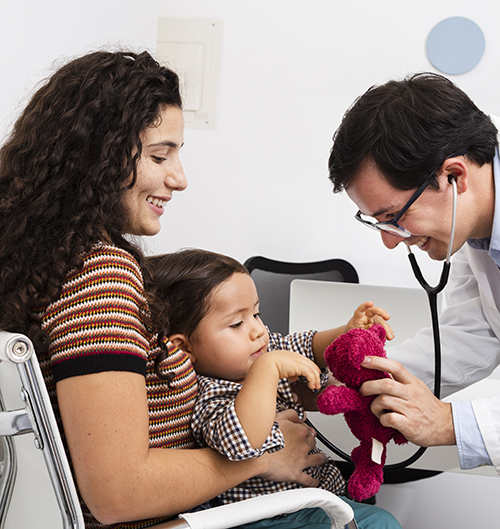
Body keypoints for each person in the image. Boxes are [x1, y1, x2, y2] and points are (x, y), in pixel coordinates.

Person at [0, 50, 338, 529]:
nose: (179, 178)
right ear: (98, 156)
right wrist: (263, 458)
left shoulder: (37, 257)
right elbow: (120, 493)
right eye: (161, 156)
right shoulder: (99, 273)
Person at [146, 248, 403, 529]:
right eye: (236, 323)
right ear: (185, 347)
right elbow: (241, 441)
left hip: (309, 502)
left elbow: (309, 345)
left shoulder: (260, 353)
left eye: (256, 314)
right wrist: (267, 370)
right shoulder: (208, 392)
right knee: (380, 523)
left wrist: (347, 329)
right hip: (261, 517)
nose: (258, 330)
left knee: (379, 521)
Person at [327, 72, 500, 474]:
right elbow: (467, 340)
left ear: (454, 177)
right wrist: (349, 374)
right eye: (380, 224)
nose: (390, 241)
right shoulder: (473, 232)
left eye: (395, 217)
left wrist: (449, 423)